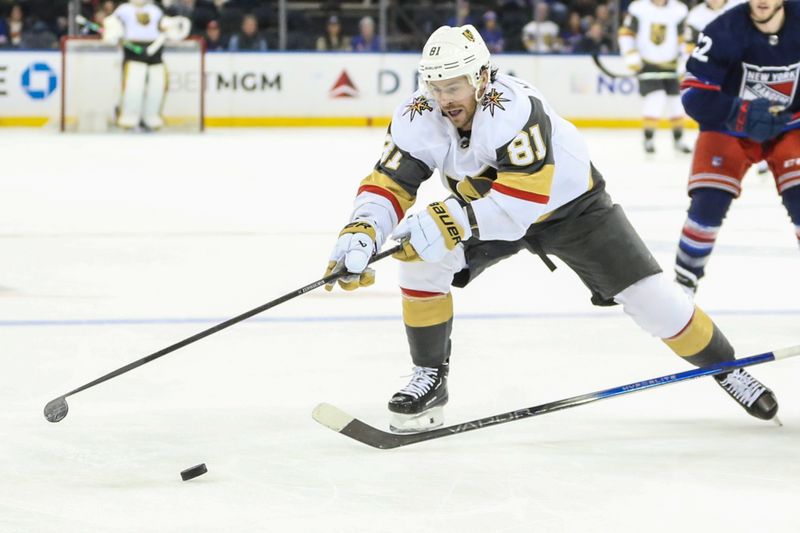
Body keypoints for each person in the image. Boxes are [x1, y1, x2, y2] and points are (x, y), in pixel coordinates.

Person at [324, 24, 779, 434]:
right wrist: (362, 230)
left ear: (481, 78)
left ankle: (727, 368)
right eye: (436, 85)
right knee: (421, 263)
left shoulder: (514, 106)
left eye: (455, 85)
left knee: (655, 302)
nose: (444, 98)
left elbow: (524, 199)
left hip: (572, 208)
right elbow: (390, 181)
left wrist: (450, 219)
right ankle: (430, 380)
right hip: (484, 205)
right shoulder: (418, 113)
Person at [673, 0, 799, 294]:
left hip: (792, 124)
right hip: (729, 126)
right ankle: (683, 287)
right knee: (708, 203)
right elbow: (693, 93)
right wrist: (738, 112)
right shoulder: (722, 29)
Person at [102, 0, 191, 130]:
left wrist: (174, 24)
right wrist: (112, 31)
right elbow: (113, 23)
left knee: (157, 84)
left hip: (155, 51)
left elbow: (163, 24)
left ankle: (151, 117)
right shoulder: (124, 9)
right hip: (133, 51)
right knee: (133, 85)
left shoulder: (154, 9)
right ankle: (129, 117)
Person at [618, 0, 692, 154]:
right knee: (655, 98)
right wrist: (631, 55)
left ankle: (678, 139)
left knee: (676, 101)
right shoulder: (638, 9)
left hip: (672, 64)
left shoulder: (679, 10)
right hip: (647, 64)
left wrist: (685, 59)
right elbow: (626, 34)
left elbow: (685, 38)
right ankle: (649, 138)